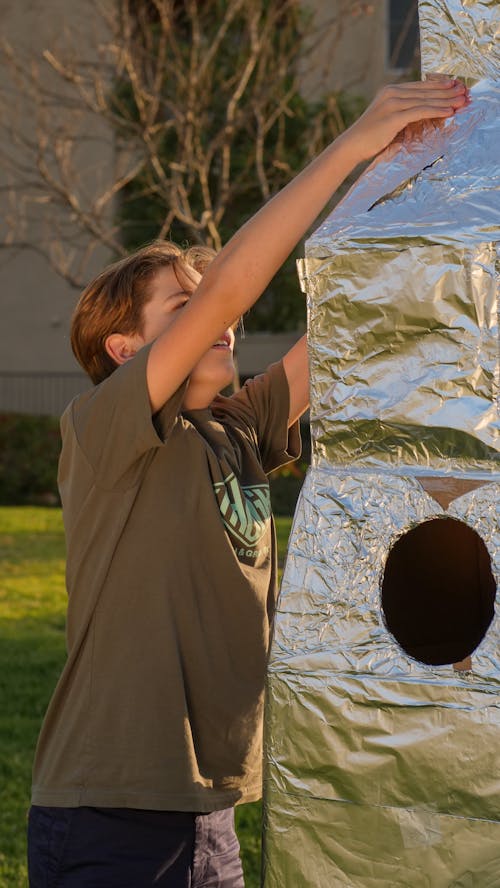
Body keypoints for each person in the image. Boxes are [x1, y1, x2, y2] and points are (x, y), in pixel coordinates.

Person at [27, 78, 468, 888]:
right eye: (183, 308)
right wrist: (353, 141)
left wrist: (419, 170)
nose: (218, 318)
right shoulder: (103, 430)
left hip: (213, 817)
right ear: (127, 351)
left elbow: (352, 313)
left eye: (208, 306)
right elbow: (237, 282)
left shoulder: (234, 429)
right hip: (110, 812)